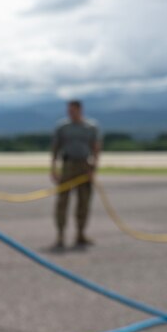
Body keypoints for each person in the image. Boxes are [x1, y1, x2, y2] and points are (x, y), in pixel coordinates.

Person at [50, 99, 101, 249]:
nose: (70, 113)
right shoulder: (62, 127)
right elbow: (55, 148)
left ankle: (80, 234)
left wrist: (93, 168)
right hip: (67, 165)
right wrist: (53, 168)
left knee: (84, 201)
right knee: (62, 202)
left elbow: (96, 147)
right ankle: (60, 235)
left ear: (80, 110)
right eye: (69, 110)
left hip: (84, 166)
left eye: (73, 110)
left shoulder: (90, 127)